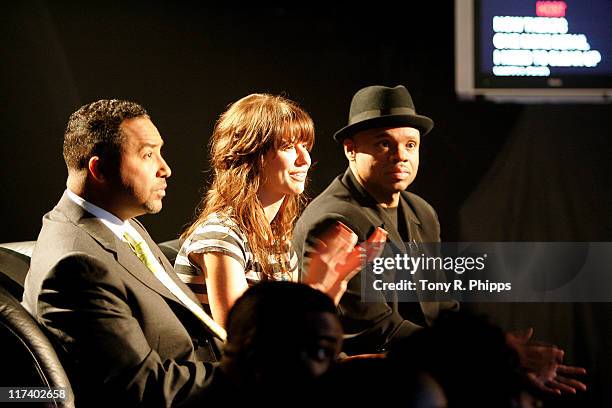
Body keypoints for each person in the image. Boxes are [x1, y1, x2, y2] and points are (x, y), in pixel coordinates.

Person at [293, 84, 587, 395]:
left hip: (419, 366)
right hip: (362, 380)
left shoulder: (421, 211)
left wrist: (487, 348)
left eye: (410, 145)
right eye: (383, 144)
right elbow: (375, 328)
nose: (400, 156)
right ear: (350, 149)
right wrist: (485, 351)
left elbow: (441, 307)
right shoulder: (335, 219)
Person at [22, 100, 222, 407]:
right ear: (99, 169)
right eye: (147, 155)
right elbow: (144, 390)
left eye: (160, 151)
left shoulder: (122, 223)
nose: (165, 168)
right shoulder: (74, 265)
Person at [175, 93, 366, 328]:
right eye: (287, 147)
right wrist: (321, 290)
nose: (305, 159)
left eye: (305, 146)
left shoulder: (279, 241)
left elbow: (292, 332)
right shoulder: (221, 235)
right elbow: (245, 338)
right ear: (251, 155)